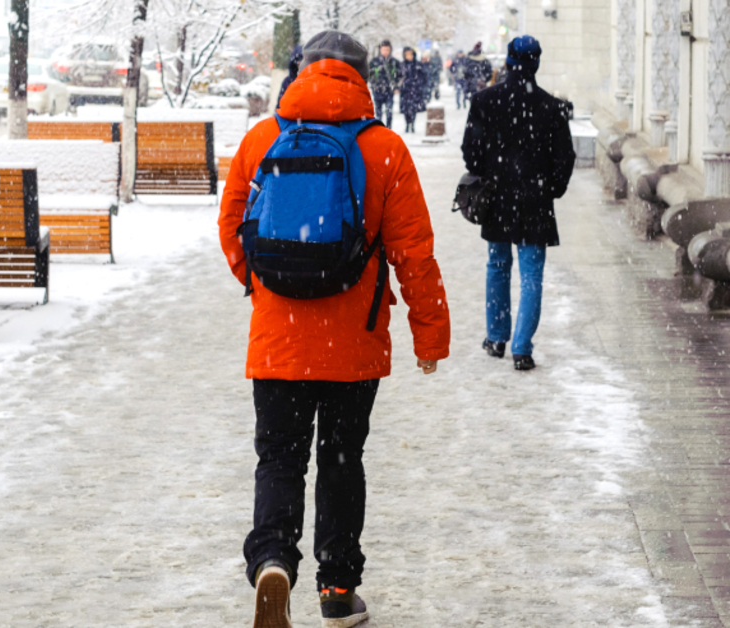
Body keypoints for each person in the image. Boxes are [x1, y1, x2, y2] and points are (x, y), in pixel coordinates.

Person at [219, 29, 450, 628]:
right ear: (362, 76)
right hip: (354, 341)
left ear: (303, 70)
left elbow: (230, 227)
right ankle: (338, 589)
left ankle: (272, 559)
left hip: (278, 341)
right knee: (342, 460)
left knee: (279, 459)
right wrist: (431, 336)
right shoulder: (385, 149)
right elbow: (414, 254)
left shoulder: (262, 139)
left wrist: (265, 284)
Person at [462, 35, 575, 371]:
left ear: (509, 62)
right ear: (536, 63)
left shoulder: (485, 101)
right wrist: (550, 188)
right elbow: (564, 158)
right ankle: (522, 348)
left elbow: (471, 152)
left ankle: (497, 337)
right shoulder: (552, 107)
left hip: (497, 197)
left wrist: (488, 173)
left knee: (497, 265)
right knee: (531, 276)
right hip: (535, 200)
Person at [366, 39, 399, 128]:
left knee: (389, 112)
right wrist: (373, 84)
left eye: (387, 50)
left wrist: (396, 87)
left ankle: (388, 128)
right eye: (384, 49)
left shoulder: (394, 62)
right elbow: (368, 74)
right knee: (378, 112)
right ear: (380, 50)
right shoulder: (374, 61)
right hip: (377, 90)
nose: (385, 52)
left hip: (389, 90)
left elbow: (400, 75)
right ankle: (380, 129)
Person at [398, 47, 425, 133]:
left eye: (410, 54)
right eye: (407, 55)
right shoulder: (401, 65)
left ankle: (412, 124)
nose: (409, 56)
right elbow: (398, 76)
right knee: (406, 109)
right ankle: (407, 124)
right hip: (405, 90)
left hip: (415, 90)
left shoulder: (418, 65)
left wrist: (419, 84)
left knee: (414, 109)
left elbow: (424, 77)